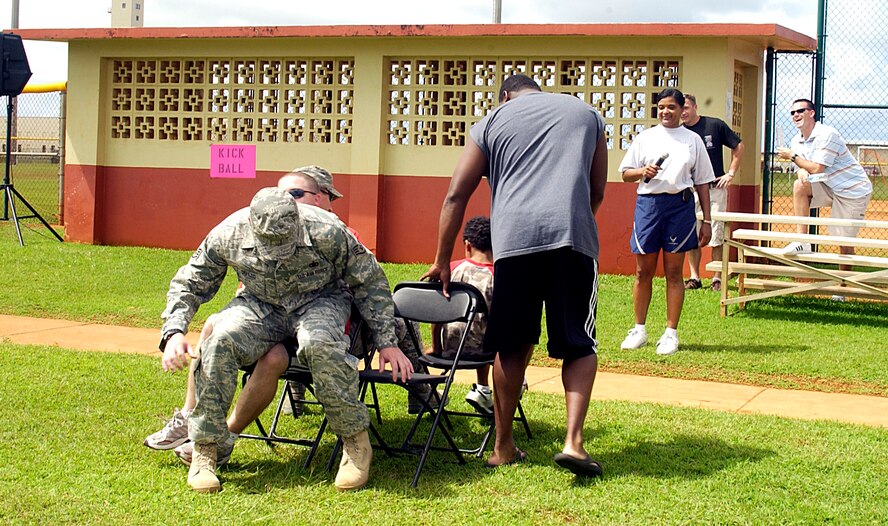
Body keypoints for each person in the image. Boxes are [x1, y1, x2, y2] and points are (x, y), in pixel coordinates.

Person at [159, 187, 413, 493]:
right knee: (220, 339)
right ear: (252, 227)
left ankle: (355, 443)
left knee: (320, 345)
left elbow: (370, 282)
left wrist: (387, 341)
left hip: (319, 299)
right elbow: (191, 281)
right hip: (261, 302)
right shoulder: (229, 233)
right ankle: (206, 450)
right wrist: (174, 331)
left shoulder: (329, 232)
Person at [423, 74, 608, 478]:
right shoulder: (587, 114)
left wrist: (441, 260)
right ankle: (573, 443)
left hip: (513, 246)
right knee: (577, 341)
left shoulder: (492, 120)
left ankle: (502, 447)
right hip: (572, 242)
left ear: (505, 96)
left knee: (511, 344)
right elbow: (597, 190)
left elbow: (456, 194)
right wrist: (571, 224)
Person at [618, 88, 714, 356]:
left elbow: (703, 182)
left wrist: (707, 220)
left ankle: (670, 333)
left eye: (671, 107)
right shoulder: (645, 137)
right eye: (661, 107)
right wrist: (642, 171)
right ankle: (639, 329)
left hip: (680, 206)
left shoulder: (692, 141)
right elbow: (626, 173)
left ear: (683, 109)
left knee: (674, 273)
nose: (665, 112)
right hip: (649, 206)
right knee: (642, 271)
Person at [776, 98, 873, 259]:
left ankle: (844, 283)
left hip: (853, 190)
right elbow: (802, 168)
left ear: (812, 113)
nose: (796, 115)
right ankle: (803, 241)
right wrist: (800, 171)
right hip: (828, 185)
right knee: (799, 185)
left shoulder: (827, 134)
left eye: (800, 111)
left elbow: (816, 168)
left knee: (843, 242)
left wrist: (792, 156)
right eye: (793, 113)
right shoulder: (795, 140)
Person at [430, 216, 496, 415]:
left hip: (449, 351)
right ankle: (490, 387)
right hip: (485, 353)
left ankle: (482, 390)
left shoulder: (449, 270)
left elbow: (435, 314)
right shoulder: (498, 275)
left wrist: (436, 347)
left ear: (467, 245)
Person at [681, 93, 745, 292]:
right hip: (689, 190)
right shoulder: (678, 132)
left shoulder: (714, 126)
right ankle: (695, 277)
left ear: (695, 107)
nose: (683, 112)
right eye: (680, 108)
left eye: (686, 108)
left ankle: (717, 278)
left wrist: (731, 173)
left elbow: (738, 145)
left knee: (716, 232)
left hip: (714, 189)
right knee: (692, 233)